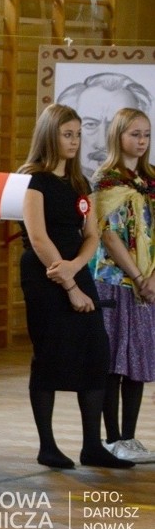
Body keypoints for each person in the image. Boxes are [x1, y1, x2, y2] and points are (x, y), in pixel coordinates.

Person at [19, 103, 133, 469]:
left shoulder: (79, 182)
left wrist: (76, 268)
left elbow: (91, 235)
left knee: (95, 353)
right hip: (45, 275)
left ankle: (91, 445)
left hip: (74, 269)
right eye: (67, 134)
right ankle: (48, 446)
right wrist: (68, 283)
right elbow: (37, 237)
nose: (74, 141)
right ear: (50, 136)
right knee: (50, 355)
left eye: (78, 134)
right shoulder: (32, 180)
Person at [90, 108, 155, 464]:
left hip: (146, 285)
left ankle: (130, 436)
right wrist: (138, 276)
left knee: (138, 362)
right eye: (134, 134)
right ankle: (112, 438)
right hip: (116, 281)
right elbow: (109, 235)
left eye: (146, 134)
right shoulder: (106, 180)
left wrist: (151, 278)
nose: (141, 141)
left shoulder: (151, 179)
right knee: (113, 362)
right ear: (118, 136)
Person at [56, 72, 152, 180]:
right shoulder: (55, 183)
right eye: (90, 125)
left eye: (115, 128)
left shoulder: (149, 182)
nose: (102, 143)